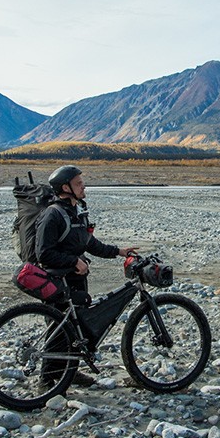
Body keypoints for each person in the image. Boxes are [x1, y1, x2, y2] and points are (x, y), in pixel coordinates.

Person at [36, 165, 136, 388]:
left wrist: (118, 251)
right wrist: (73, 262)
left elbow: (89, 243)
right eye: (79, 183)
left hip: (76, 280)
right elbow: (43, 253)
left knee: (75, 327)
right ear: (65, 187)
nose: (84, 187)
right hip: (57, 281)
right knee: (58, 329)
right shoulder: (52, 215)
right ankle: (46, 381)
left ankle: (68, 373)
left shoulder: (77, 212)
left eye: (83, 182)